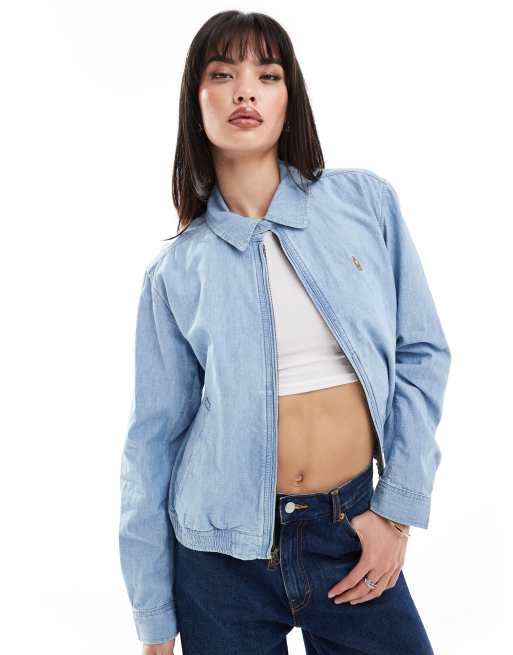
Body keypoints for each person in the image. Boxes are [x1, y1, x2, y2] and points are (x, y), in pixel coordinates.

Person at [118, 10, 451, 655]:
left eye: (266, 75)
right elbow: (151, 444)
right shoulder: (176, 272)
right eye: (223, 74)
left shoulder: (364, 204)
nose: (245, 90)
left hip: (349, 533)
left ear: (288, 98)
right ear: (196, 100)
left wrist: (396, 512)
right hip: (219, 560)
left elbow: (421, 352)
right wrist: (154, 618)